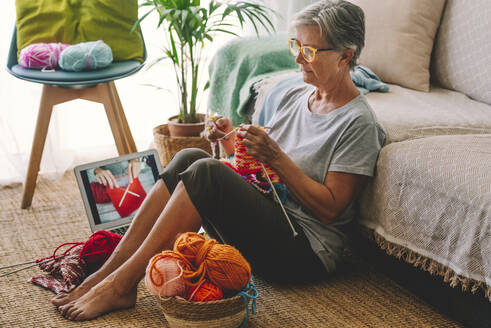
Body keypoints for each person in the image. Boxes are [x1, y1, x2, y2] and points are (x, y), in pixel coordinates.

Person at [51, 0, 386, 320]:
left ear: (345, 56)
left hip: (303, 251)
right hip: (268, 222)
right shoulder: (295, 94)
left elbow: (330, 209)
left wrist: (276, 156)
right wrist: (230, 142)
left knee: (207, 173)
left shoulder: (357, 123)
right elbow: (260, 171)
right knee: (190, 157)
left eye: (309, 51)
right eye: (295, 46)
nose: (298, 58)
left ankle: (122, 285)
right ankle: (108, 272)